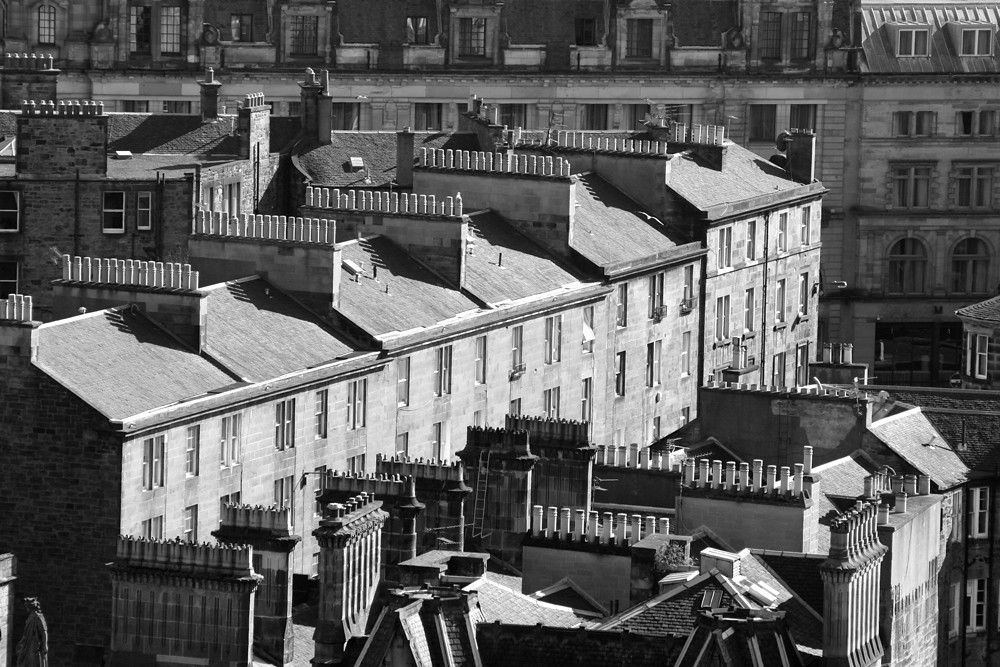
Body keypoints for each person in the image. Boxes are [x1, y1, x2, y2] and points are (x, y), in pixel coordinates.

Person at [16, 598, 47, 667]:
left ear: (31, 607)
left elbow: (44, 632)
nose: (26, 609)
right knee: (20, 661)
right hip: (26, 643)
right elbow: (25, 634)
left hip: (34, 644)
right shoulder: (29, 618)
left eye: (27, 607)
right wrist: (21, 642)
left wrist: (45, 645)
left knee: (32, 663)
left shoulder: (38, 617)